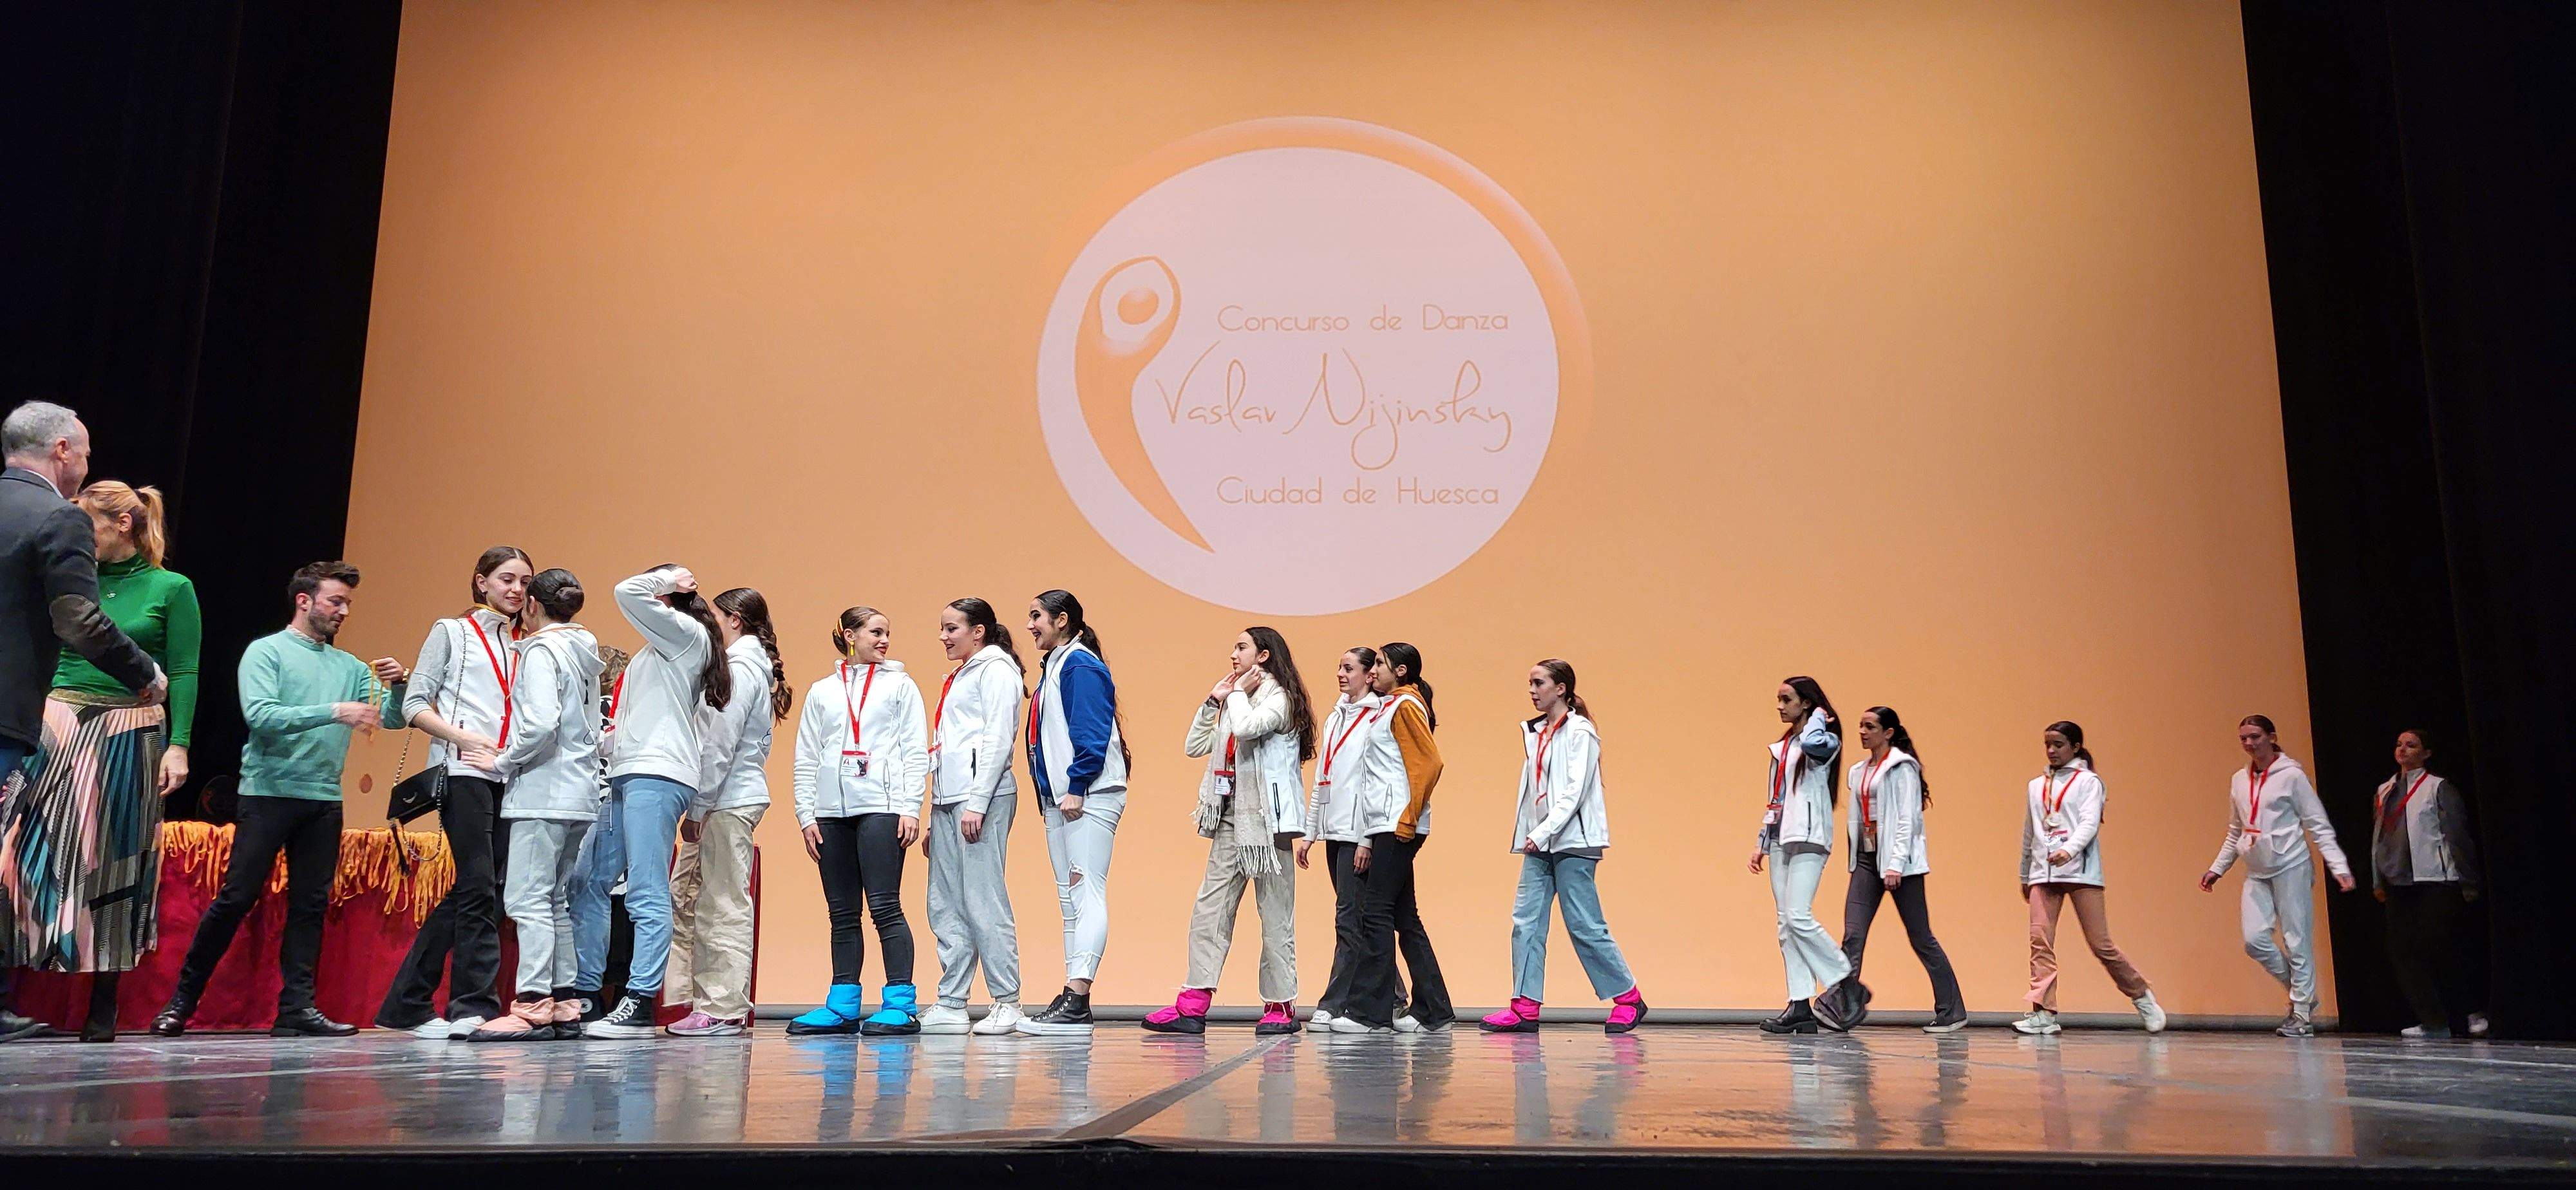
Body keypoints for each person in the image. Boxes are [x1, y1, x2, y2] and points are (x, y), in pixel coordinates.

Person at [149, 562, 408, 1037]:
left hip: (324, 799)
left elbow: (388, 721)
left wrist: (398, 686)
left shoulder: (350, 667)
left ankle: (297, 1009)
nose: (344, 611)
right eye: (336, 601)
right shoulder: (266, 652)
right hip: (268, 795)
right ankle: (180, 1003)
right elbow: (262, 715)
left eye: (348, 603)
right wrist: (333, 710)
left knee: (310, 906)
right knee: (236, 898)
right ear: (304, 600)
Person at [0, 481, 198, 1042]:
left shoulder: (171, 587)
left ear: (123, 527)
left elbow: (182, 671)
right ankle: (11, 997)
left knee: (115, 859)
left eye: (90, 527)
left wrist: (179, 743)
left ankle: (101, 1006)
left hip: (128, 726)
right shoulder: (70, 578)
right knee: (18, 856)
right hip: (57, 720)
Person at [377, 546, 533, 1039]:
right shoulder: (452, 632)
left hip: (509, 775)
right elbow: (414, 705)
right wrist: (462, 738)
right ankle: (473, 1007)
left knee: (482, 889)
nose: (517, 590)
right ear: (481, 582)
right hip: (462, 770)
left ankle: (407, 1002)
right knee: (480, 885)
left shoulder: (526, 643)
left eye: (526, 582)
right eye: (507, 579)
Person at [582, 565, 730, 1039]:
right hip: (630, 771)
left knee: (646, 889)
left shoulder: (685, 635)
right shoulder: (659, 646)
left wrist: (673, 575)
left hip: (660, 774)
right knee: (590, 881)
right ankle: (586, 994)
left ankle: (640, 1000)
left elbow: (625, 589)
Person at [1143, 627, 1314, 1036]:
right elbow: (1194, 745)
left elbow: (1249, 728)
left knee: (1274, 916)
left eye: (1241, 648)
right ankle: (1193, 1005)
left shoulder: (1279, 697)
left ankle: (1280, 1005)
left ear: (1265, 655)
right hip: (1230, 816)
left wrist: (1236, 695)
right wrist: (1214, 700)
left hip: (1267, 825)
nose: (1232, 654)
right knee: (1210, 911)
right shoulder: (1236, 697)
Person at [466, 569, 602, 1041]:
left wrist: (503, 760)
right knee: (556, 899)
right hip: (580, 792)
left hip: (545, 790)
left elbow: (542, 723)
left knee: (527, 899)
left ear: (532, 606)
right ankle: (564, 1002)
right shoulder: (585, 650)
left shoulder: (544, 650)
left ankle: (531, 1004)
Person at [1479, 659, 1646, 1035]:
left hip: (1573, 841)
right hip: (1540, 842)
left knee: (1584, 923)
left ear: (1561, 689)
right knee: (1526, 921)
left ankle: (1629, 997)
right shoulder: (1535, 732)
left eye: (1539, 683)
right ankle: (1524, 1006)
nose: (1533, 691)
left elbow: (1576, 790)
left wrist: (1544, 831)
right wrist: (1531, 832)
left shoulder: (1581, 732)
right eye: (1530, 684)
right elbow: (1535, 791)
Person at [785, 607, 929, 1037]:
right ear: (850, 635)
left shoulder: (901, 686)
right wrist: (805, 814)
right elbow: (806, 755)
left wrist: (910, 807)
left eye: (888, 633)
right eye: (876, 632)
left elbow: (914, 750)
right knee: (842, 912)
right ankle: (843, 1004)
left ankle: (901, 1003)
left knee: (885, 907)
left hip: (883, 807)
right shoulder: (822, 691)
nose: (885, 641)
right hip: (830, 812)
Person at [667, 587, 788, 1037]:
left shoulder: (739, 669)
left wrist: (698, 806)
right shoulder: (748, 666)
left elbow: (719, 744)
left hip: (727, 799)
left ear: (735, 619)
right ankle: (706, 1001)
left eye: (715, 616)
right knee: (700, 898)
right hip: (727, 796)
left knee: (723, 902)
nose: (708, 623)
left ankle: (722, 1006)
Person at [2198, 714, 2354, 1038]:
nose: (2249, 744)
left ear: (2271, 737)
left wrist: (2338, 867)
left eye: (2255, 736)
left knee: (2297, 940)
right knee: (2255, 941)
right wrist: (2218, 868)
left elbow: (2317, 824)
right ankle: (2303, 994)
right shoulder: (2239, 780)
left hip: (2291, 865)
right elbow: (2235, 830)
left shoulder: (2292, 776)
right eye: (2243, 738)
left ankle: (2301, 1015)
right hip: (2256, 869)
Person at [1016, 590, 1128, 1035]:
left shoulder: (1079, 663)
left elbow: (1091, 731)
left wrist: (1078, 784)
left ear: (1062, 620)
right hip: (1062, 798)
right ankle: (1072, 998)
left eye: (1036, 616)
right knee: (1071, 902)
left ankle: (1077, 997)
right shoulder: (1059, 664)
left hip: (1088, 795)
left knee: (1086, 894)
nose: (1030, 625)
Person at [1334, 641, 1454, 1034]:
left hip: (1397, 824)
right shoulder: (1391, 706)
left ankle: (1369, 1013)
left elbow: (1430, 764)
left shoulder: (1405, 706)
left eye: (1380, 665)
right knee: (1404, 916)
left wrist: (1407, 818)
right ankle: (1433, 1009)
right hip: (1385, 823)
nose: (1373, 672)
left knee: (1376, 913)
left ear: (1400, 671)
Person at [916, 598, 1024, 1035]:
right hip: (949, 798)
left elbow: (999, 737)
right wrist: (933, 813)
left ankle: (1007, 1000)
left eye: (951, 628)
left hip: (982, 797)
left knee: (983, 898)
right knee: (945, 903)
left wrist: (978, 801)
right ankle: (952, 1001)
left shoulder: (997, 669)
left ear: (978, 631)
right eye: (942, 628)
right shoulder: (963, 673)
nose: (943, 636)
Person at [1822, 705, 1965, 1033]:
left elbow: (1907, 819)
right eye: (1860, 725)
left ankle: (1952, 1010)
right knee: (1853, 935)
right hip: (1866, 860)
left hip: (1901, 866)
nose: (1862, 731)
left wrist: (1896, 864)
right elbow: (1858, 819)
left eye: (1869, 726)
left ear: (1888, 733)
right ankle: (1844, 1007)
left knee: (1921, 937)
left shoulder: (1902, 768)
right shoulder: (1858, 771)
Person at [2015, 720, 2164, 1035]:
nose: (2052, 751)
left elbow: (2089, 823)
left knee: (2101, 945)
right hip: (2044, 872)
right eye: (2048, 745)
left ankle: (2141, 995)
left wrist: (2069, 851)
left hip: (2081, 871)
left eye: (2058, 745)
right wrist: (2025, 872)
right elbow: (2030, 831)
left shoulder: (2089, 782)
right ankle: (2044, 1012)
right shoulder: (2035, 785)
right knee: (2039, 942)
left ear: (2075, 747)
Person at [1747, 675, 1850, 1034]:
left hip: (1808, 836)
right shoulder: (1784, 746)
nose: (1779, 706)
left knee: (1799, 916)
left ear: (1806, 703)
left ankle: (1844, 979)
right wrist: (1762, 843)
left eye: (1786, 699)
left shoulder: (1823, 740)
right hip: (1781, 839)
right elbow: (1775, 797)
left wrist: (1820, 717)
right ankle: (1800, 1005)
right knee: (1785, 925)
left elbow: (1812, 742)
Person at [2369, 728, 2486, 1039]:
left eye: (2411, 745)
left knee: (2443, 948)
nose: (2403, 750)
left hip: (2435, 878)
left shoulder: (2438, 788)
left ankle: (2470, 1010)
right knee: (2404, 953)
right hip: (2399, 882)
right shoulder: (2385, 789)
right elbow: (2378, 839)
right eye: (2399, 745)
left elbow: (2457, 835)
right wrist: (2377, 879)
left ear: (2427, 752)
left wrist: (2467, 879)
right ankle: (2433, 1020)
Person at [1300, 647, 1388, 1032]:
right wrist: (1309, 832)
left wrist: (1367, 839)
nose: (1340, 673)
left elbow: (1373, 783)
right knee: (1357, 918)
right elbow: (1323, 778)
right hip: (1334, 831)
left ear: (1370, 676)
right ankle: (1396, 995)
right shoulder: (1337, 717)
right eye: (1339, 666)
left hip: (1357, 834)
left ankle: (1334, 1003)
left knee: (1349, 920)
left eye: (1348, 668)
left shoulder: (1376, 718)